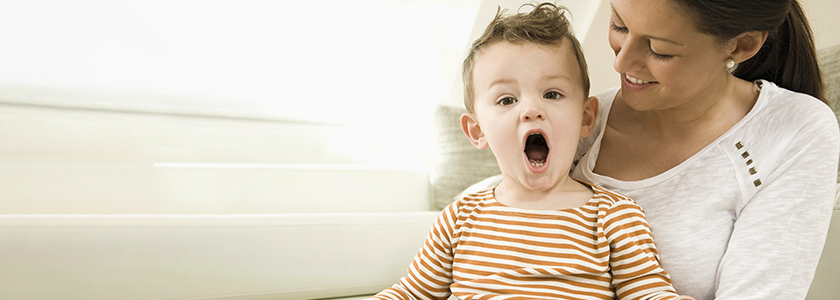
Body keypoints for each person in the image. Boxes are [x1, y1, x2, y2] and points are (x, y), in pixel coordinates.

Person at [370, 3, 694, 300]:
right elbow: (411, 293)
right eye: (507, 100)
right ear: (477, 131)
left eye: (552, 93)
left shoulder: (613, 216)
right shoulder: (458, 219)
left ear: (586, 117)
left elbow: (649, 293)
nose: (531, 110)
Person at [567, 0, 840, 299]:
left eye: (660, 49)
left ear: (741, 45)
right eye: (619, 25)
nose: (621, 63)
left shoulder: (794, 131)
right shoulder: (576, 124)